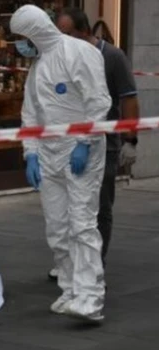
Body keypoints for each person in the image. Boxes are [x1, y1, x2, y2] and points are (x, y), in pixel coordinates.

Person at [10, 5, 112, 322]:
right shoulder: (38, 67)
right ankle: (69, 289)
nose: (19, 44)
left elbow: (98, 100)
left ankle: (90, 297)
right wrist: (31, 153)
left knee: (82, 224)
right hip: (49, 154)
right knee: (57, 227)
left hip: (82, 150)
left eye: (21, 37)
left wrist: (84, 142)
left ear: (35, 31)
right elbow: (30, 114)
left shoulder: (79, 53)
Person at [46, 8, 140, 281]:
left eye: (67, 34)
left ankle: (94, 266)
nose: (61, 40)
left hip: (104, 145)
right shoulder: (62, 58)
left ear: (84, 32)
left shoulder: (111, 57)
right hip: (66, 145)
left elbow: (129, 99)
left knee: (98, 208)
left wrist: (130, 140)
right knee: (66, 209)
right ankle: (69, 261)